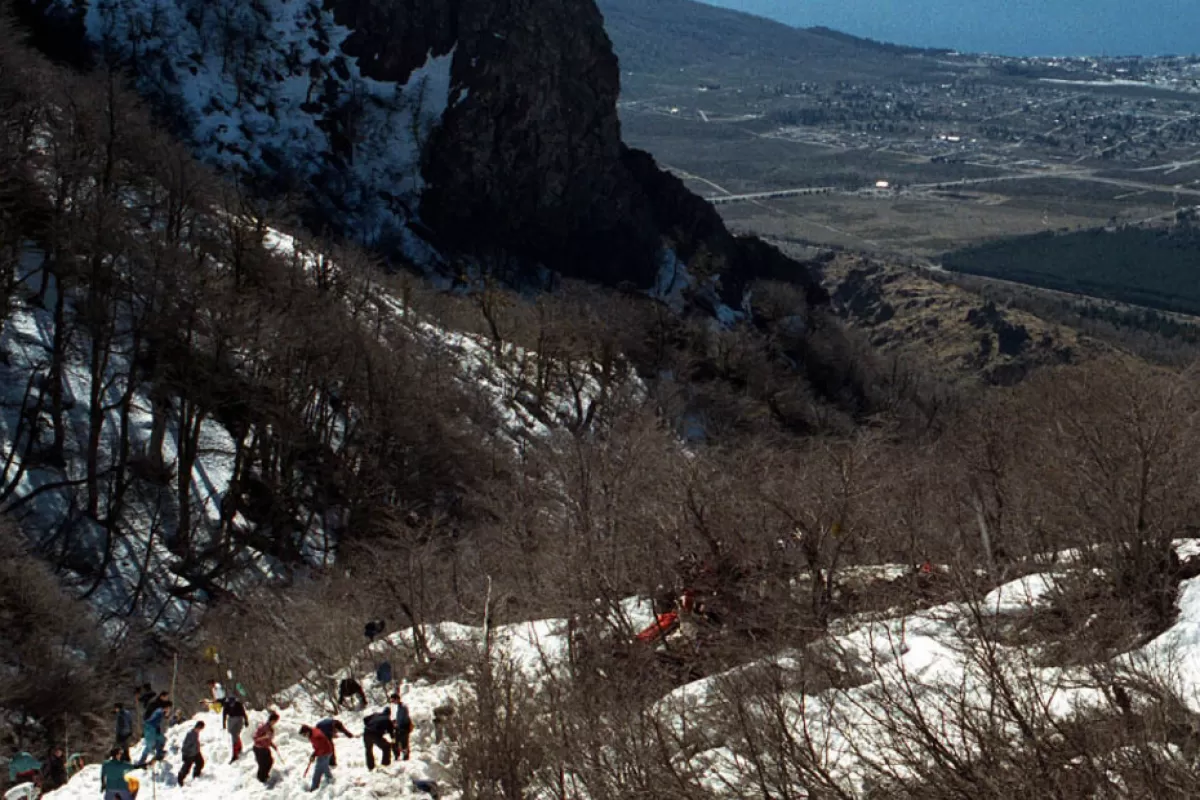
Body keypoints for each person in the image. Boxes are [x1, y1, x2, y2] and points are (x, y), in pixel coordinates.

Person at [299, 725, 334, 792]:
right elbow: (319, 747)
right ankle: (330, 778)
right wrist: (314, 754)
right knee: (324, 766)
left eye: (304, 735)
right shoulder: (313, 732)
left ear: (307, 731)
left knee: (317, 770)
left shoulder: (316, 737)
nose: (305, 736)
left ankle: (314, 788)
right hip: (328, 750)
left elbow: (321, 748)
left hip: (325, 753)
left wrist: (314, 755)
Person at [252, 711, 280, 784]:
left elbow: (268, 739)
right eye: (275, 721)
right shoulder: (263, 727)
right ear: (272, 720)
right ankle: (261, 779)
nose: (275, 723)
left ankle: (265, 776)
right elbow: (255, 738)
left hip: (265, 748)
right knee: (262, 764)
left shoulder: (270, 728)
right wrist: (264, 737)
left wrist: (273, 745)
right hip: (258, 748)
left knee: (270, 761)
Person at [177, 721, 205, 786]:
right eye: (200, 728)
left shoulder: (196, 733)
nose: (200, 730)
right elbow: (185, 745)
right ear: (198, 727)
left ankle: (196, 776)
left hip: (196, 752)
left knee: (200, 763)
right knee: (186, 768)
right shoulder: (190, 734)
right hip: (189, 754)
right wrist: (185, 754)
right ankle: (180, 778)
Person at [222, 695, 249, 762]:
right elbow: (224, 714)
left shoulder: (239, 704)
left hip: (239, 719)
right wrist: (224, 723)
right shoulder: (227, 705)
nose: (232, 704)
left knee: (235, 735)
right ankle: (239, 747)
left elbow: (243, 713)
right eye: (231, 703)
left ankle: (235, 754)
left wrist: (246, 721)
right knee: (233, 734)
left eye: (233, 703)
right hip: (231, 719)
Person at [389, 694, 413, 761]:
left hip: (404, 727)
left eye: (393, 700)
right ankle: (397, 756)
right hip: (399, 727)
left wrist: (397, 724)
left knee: (404, 743)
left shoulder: (403, 707)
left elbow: (404, 718)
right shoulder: (398, 707)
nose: (393, 702)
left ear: (397, 699)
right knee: (395, 743)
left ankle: (405, 757)